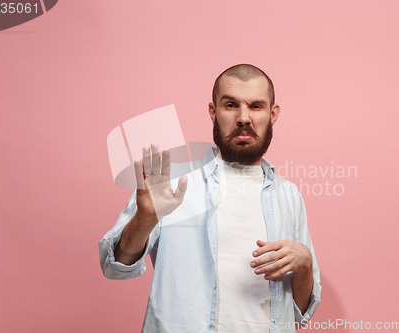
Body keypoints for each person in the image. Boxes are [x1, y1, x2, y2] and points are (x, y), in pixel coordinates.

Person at [98, 64, 321, 333]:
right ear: (213, 112)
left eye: (256, 106)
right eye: (230, 105)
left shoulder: (289, 195)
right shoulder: (172, 182)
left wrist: (305, 264)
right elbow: (114, 266)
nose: (243, 118)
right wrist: (144, 220)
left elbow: (301, 313)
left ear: (273, 114)